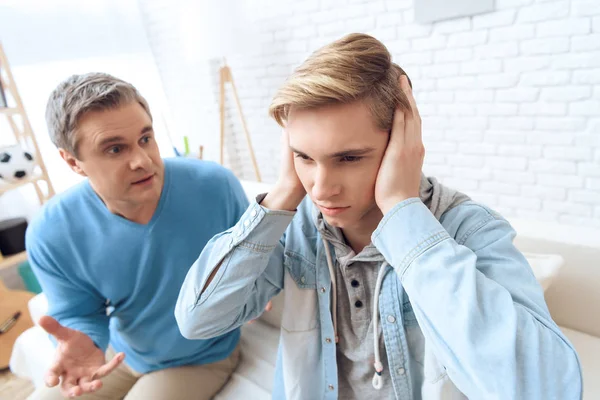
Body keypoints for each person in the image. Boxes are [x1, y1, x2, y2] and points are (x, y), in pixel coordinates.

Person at [175, 33, 583, 399]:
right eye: (304, 157)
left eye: (348, 158)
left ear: (402, 145)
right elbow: (197, 321)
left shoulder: (468, 229)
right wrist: (282, 193)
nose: (321, 188)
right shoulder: (297, 227)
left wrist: (404, 215)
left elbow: (547, 388)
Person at [26, 72, 248, 399]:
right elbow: (77, 310)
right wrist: (84, 342)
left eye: (146, 138)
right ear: (73, 161)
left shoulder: (215, 186)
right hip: (121, 353)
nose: (142, 161)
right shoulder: (52, 230)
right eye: (115, 149)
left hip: (200, 357)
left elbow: (263, 251)